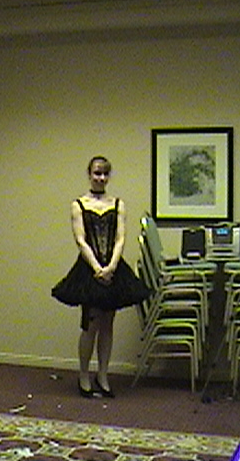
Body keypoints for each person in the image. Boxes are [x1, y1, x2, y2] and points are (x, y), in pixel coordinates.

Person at [52, 156, 148, 399]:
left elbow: (120, 238)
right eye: (97, 173)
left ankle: (103, 375)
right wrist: (97, 268)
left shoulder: (118, 204)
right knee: (90, 324)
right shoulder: (78, 205)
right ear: (89, 174)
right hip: (88, 269)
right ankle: (84, 375)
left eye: (105, 174)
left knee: (108, 324)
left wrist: (112, 266)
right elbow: (80, 240)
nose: (101, 178)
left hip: (113, 268)